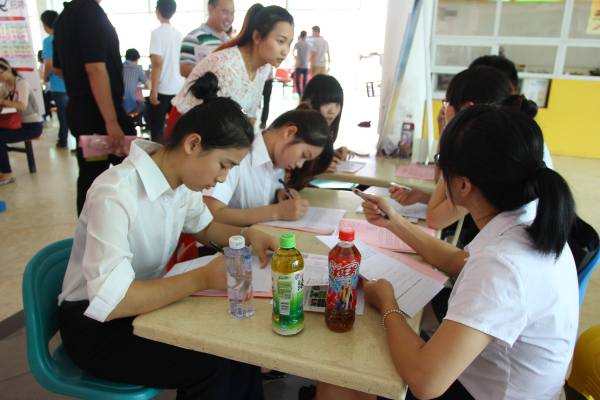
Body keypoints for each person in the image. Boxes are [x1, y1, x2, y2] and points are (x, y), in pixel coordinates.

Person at [320, 104, 579, 400]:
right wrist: (394, 222)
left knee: (340, 377)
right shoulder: (531, 218)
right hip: (492, 379)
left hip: (483, 392)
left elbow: (425, 382)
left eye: (443, 165)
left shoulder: (503, 266)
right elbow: (458, 261)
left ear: (464, 185)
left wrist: (388, 302)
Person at [58, 74, 277, 400]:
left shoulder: (181, 184)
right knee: (212, 363)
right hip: (96, 325)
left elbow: (204, 227)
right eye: (223, 165)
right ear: (193, 144)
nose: (222, 178)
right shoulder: (114, 192)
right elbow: (113, 301)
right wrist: (203, 278)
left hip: (142, 304)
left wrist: (248, 235)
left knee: (239, 347)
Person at [392, 65, 553, 214]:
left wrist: (450, 132)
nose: (444, 109)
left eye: (447, 103)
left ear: (467, 108)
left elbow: (435, 217)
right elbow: (441, 182)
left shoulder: (490, 148)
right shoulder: (511, 134)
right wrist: (422, 196)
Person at [53, 0, 137, 216]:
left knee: (92, 173)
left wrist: (79, 84)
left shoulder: (63, 17)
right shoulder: (91, 12)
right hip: (100, 116)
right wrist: (111, 121)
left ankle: (87, 228)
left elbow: (58, 68)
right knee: (132, 169)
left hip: (81, 111)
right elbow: (95, 69)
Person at [168, 3, 294, 136]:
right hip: (186, 131)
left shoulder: (264, 67)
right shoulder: (229, 67)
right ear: (257, 37)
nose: (286, 51)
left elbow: (247, 116)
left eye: (290, 43)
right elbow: (210, 124)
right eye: (281, 41)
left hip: (218, 133)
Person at [203, 104, 332, 227]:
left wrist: (279, 194)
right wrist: (276, 212)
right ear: (289, 132)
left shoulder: (279, 163)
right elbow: (210, 214)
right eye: (303, 155)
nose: (300, 164)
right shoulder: (238, 155)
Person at [289, 74, 352, 189]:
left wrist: (329, 154)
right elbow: (286, 174)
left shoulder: (320, 130)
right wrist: (318, 168)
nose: (333, 111)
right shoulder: (296, 130)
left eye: (337, 104)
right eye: (326, 103)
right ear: (312, 101)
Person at [0, 59, 44, 185]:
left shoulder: (21, 83)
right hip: (18, 124)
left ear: (8, 70)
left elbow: (22, 106)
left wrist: (2, 102)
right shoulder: (5, 86)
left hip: (32, 126)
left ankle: (7, 173)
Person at [148, 0, 185, 143]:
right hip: (178, 88)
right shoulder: (179, 34)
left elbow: (157, 63)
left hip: (162, 89)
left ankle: (157, 155)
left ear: (157, 11)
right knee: (177, 129)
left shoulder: (156, 33)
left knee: (157, 128)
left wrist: (153, 90)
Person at [179, 0, 235, 78]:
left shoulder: (229, 40)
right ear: (210, 9)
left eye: (232, 13)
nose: (229, 18)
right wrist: (214, 71)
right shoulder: (194, 37)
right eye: (225, 12)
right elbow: (183, 69)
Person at [41, 10, 69, 149]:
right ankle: (79, 144)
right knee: (73, 115)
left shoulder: (49, 41)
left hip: (58, 85)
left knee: (63, 116)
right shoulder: (67, 37)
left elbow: (49, 64)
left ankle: (63, 141)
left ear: (45, 25)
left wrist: (45, 76)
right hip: (71, 84)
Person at [122, 48, 150, 123]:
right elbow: (148, 85)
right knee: (144, 106)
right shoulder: (138, 69)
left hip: (117, 104)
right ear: (137, 59)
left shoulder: (119, 67)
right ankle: (133, 122)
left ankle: (127, 122)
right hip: (131, 106)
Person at [293, 30, 311, 96]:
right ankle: (302, 94)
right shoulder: (308, 44)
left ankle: (301, 94)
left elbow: (293, 52)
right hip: (304, 65)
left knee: (299, 81)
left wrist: (297, 60)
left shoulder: (300, 43)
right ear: (305, 36)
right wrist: (309, 60)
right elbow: (313, 54)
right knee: (304, 82)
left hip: (301, 65)